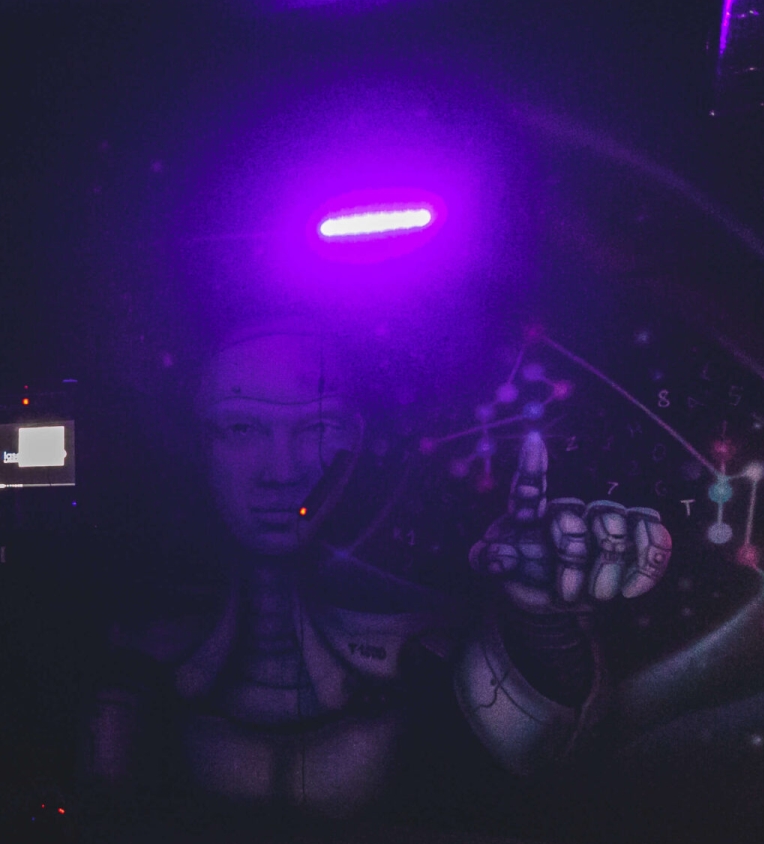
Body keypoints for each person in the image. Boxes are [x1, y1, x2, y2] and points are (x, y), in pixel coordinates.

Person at [94, 327, 672, 817]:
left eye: (317, 429)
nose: (281, 472)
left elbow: (537, 750)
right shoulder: (138, 654)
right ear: (197, 446)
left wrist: (539, 622)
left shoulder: (418, 645)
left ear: (356, 442)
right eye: (242, 429)